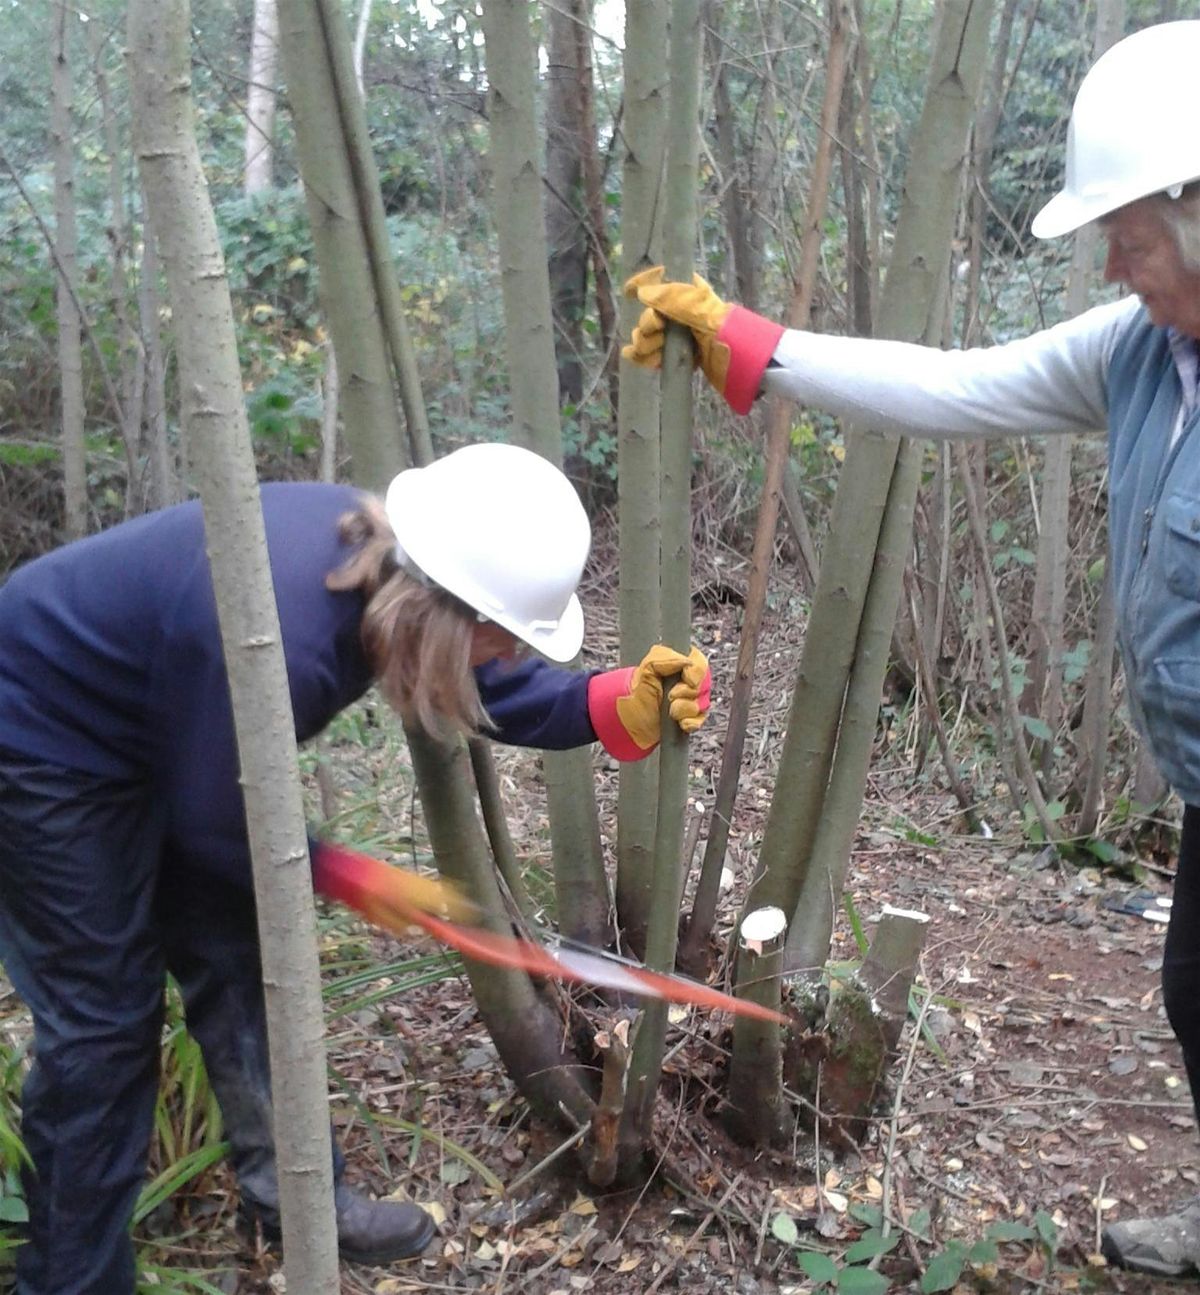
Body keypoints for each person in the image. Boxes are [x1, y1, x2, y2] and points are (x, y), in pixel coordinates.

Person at [623, 18, 1200, 1280]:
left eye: (1131, 235)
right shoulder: (1143, 354)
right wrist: (752, 346)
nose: (1114, 266)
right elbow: (953, 385)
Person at [0, 440, 711, 1294]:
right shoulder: (290, 635)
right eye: (508, 639)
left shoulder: (392, 570)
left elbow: (475, 680)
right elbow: (217, 821)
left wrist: (609, 702)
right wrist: (357, 878)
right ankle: (69, 1279)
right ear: (454, 610)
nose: (512, 657)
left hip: (164, 730)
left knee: (239, 962)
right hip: (41, 739)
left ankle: (296, 1200)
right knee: (104, 1021)